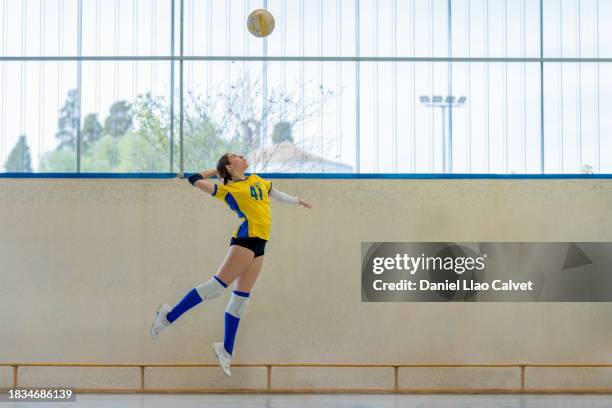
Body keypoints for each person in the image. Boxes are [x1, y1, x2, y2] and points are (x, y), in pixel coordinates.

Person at [150, 153, 312, 377]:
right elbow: (194, 179)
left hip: (260, 244)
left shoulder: (257, 180)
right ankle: (167, 316)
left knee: (240, 302)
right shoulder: (228, 190)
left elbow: (276, 194)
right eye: (236, 156)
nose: (242, 156)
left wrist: (296, 200)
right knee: (215, 288)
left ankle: (225, 350)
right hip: (245, 240)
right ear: (229, 165)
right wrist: (218, 173)